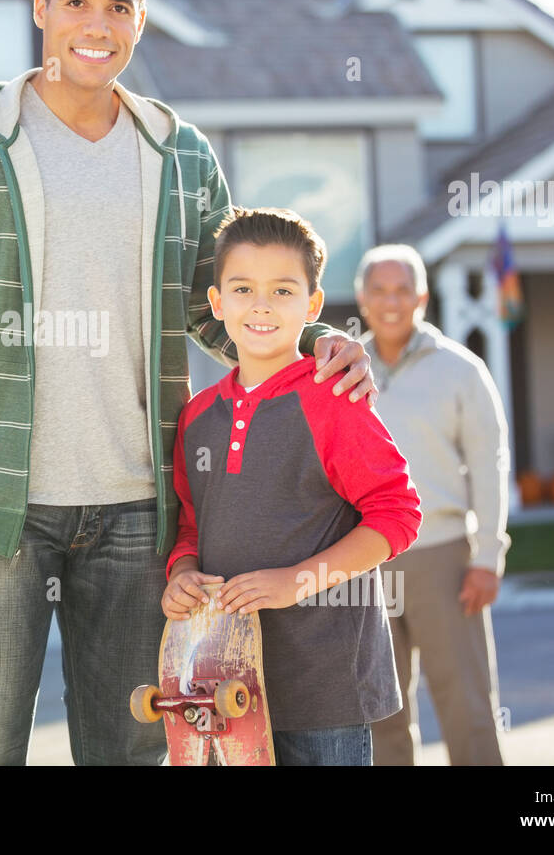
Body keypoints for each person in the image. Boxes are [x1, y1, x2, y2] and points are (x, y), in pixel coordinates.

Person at [0, 0, 377, 766]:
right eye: (76, 2)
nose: (96, 23)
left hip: (143, 510)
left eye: (120, 6)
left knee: (136, 746)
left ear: (140, 24)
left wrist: (319, 342)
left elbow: (224, 307)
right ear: (40, 11)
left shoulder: (179, 156)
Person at [163, 207, 422, 765]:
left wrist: (294, 582)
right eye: (242, 289)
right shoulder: (198, 417)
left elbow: (397, 513)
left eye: (282, 290)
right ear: (216, 304)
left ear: (312, 307)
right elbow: (191, 525)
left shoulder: (333, 399)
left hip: (324, 687)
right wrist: (182, 574)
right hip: (224, 686)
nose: (260, 305)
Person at [354, 244, 511, 766]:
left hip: (442, 556)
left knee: (465, 704)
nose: (391, 301)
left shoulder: (461, 370)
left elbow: (490, 465)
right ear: (362, 297)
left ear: (422, 296)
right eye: (379, 289)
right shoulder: (341, 370)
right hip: (364, 561)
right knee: (381, 714)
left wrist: (488, 556)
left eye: (402, 289)